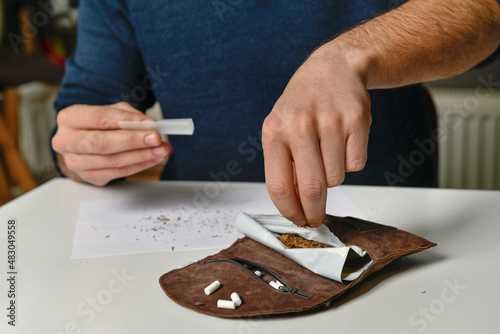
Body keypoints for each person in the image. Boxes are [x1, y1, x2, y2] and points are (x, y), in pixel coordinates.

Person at [51, 0, 500, 227]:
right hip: (198, 234)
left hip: (388, 227)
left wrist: (349, 57)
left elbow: (484, 13)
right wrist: (81, 152)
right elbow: (85, 105)